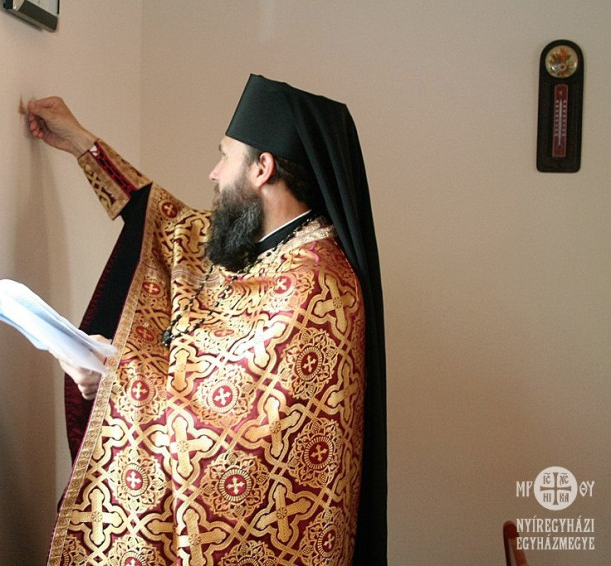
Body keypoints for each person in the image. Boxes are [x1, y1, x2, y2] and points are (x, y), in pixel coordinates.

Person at [27, 74, 386, 566]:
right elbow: (169, 224)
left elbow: (230, 438)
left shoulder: (315, 286)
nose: (214, 174)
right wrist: (82, 145)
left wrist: (113, 375)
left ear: (262, 168)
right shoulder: (270, 244)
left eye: (225, 156)